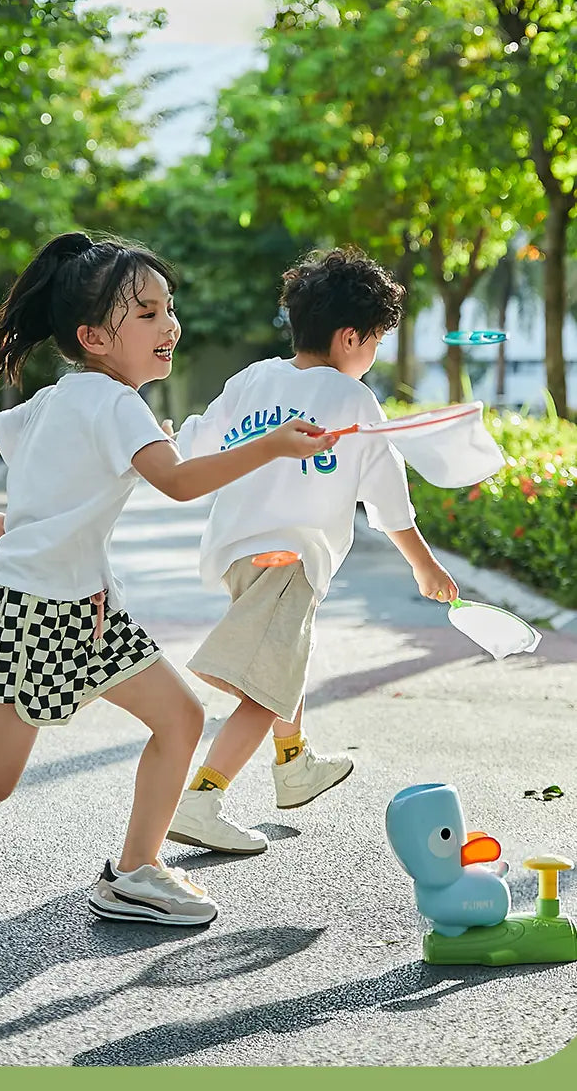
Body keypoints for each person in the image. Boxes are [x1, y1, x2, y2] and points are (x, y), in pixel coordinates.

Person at [0, 232, 330, 927]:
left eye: (168, 307)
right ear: (94, 336)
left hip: (82, 608)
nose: (170, 325)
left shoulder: (60, 398)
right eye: (147, 313)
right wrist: (270, 446)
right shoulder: (116, 405)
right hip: (35, 613)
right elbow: (179, 482)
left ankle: (135, 871)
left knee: (178, 718)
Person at [167, 248, 459, 856]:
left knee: (282, 660)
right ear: (351, 336)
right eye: (376, 341)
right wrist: (423, 562)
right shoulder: (353, 400)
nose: (374, 354)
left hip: (238, 556)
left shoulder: (251, 380)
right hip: (291, 557)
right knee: (263, 688)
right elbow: (386, 496)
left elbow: (194, 440)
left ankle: (294, 761)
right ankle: (202, 797)